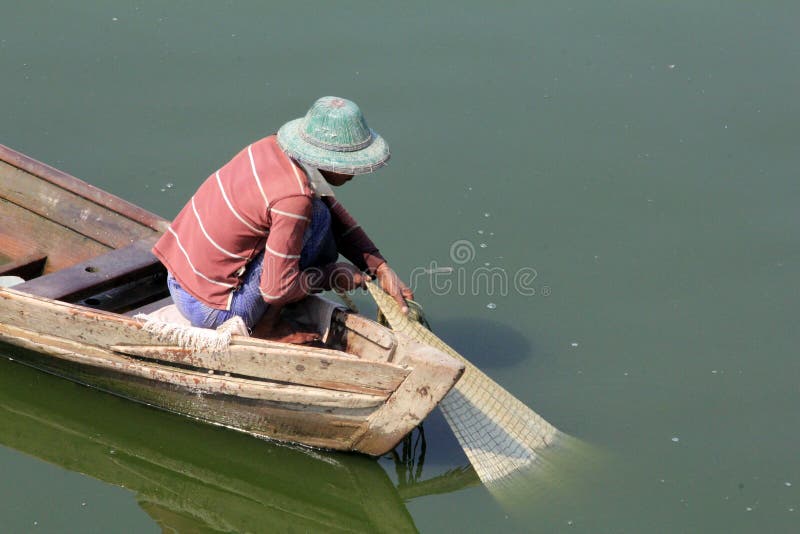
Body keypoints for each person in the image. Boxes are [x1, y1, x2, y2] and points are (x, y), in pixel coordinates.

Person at [152, 96, 413, 344]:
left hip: (178, 281)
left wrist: (379, 268)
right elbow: (276, 290)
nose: (353, 172)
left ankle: (269, 309)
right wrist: (331, 275)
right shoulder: (294, 199)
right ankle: (265, 329)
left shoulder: (269, 148)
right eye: (348, 164)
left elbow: (333, 211)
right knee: (317, 219)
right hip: (212, 311)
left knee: (320, 213)